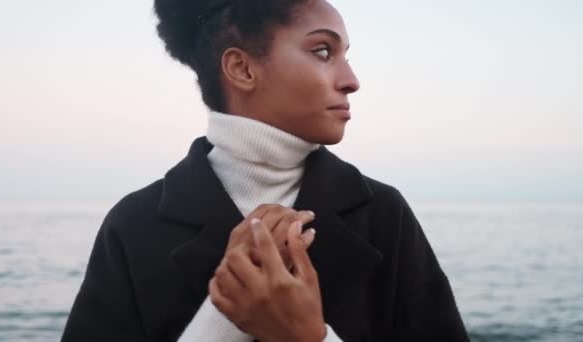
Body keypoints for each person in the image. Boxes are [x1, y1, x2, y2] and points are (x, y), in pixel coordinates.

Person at [61, 0, 470, 341]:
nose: (351, 80)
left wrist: (311, 338)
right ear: (241, 69)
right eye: (323, 52)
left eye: (347, 55)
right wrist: (218, 323)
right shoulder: (133, 224)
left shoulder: (383, 213)